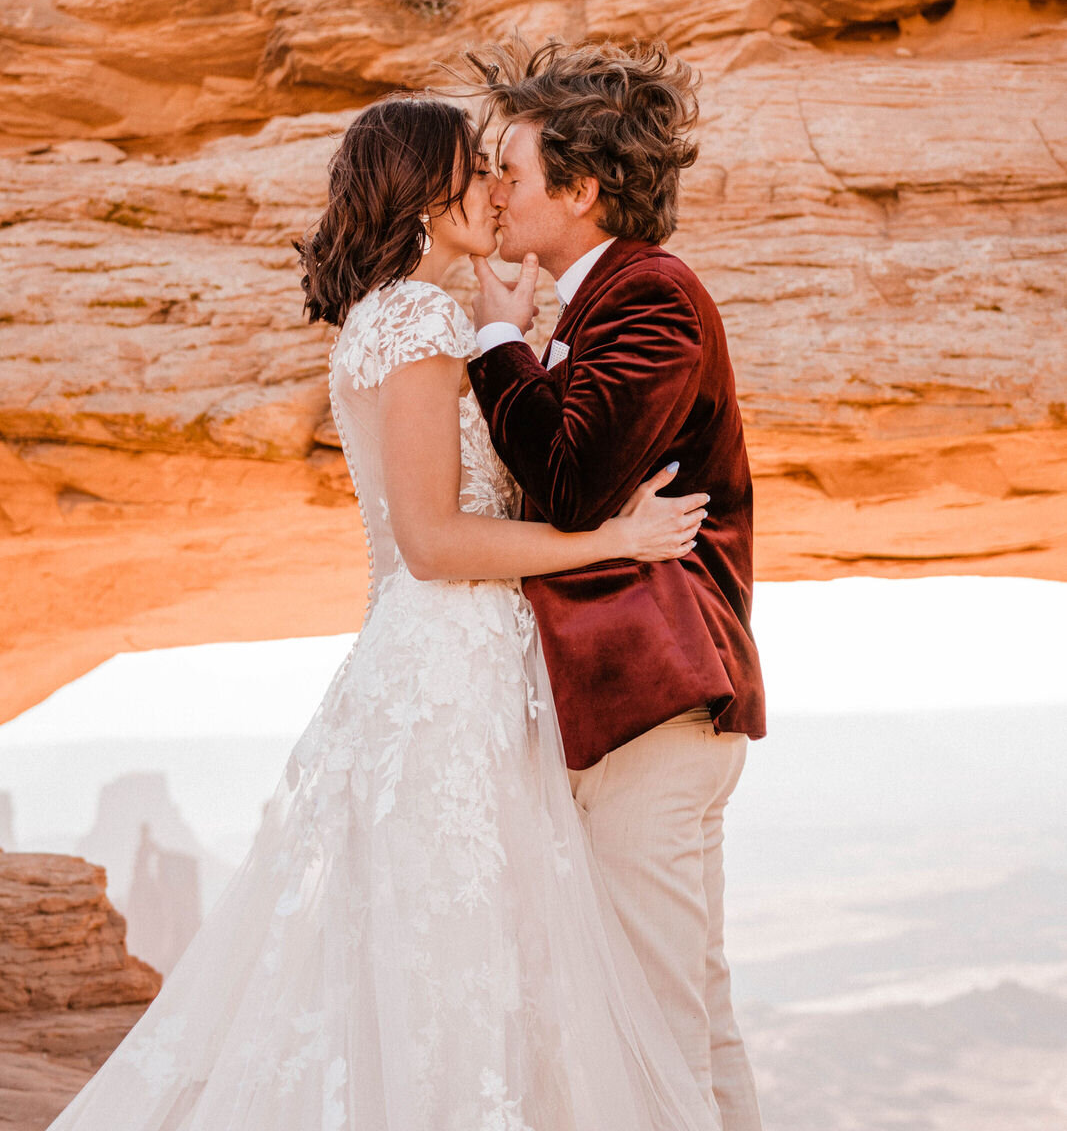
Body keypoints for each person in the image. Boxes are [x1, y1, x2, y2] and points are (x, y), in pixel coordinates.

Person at [48, 93, 719, 1131]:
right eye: (474, 167)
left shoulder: (408, 319)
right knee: (458, 957)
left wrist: (511, 339)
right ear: (424, 192)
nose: (493, 187)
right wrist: (608, 539)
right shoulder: (414, 321)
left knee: (458, 953)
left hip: (446, 664)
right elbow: (434, 541)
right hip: (447, 672)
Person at [464, 38, 766, 1131]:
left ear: (582, 189)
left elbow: (569, 481)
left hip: (653, 703)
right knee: (691, 1010)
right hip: (643, 713)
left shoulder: (651, 297)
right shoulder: (606, 300)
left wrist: (499, 338)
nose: (491, 188)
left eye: (510, 167)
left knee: (649, 1019)